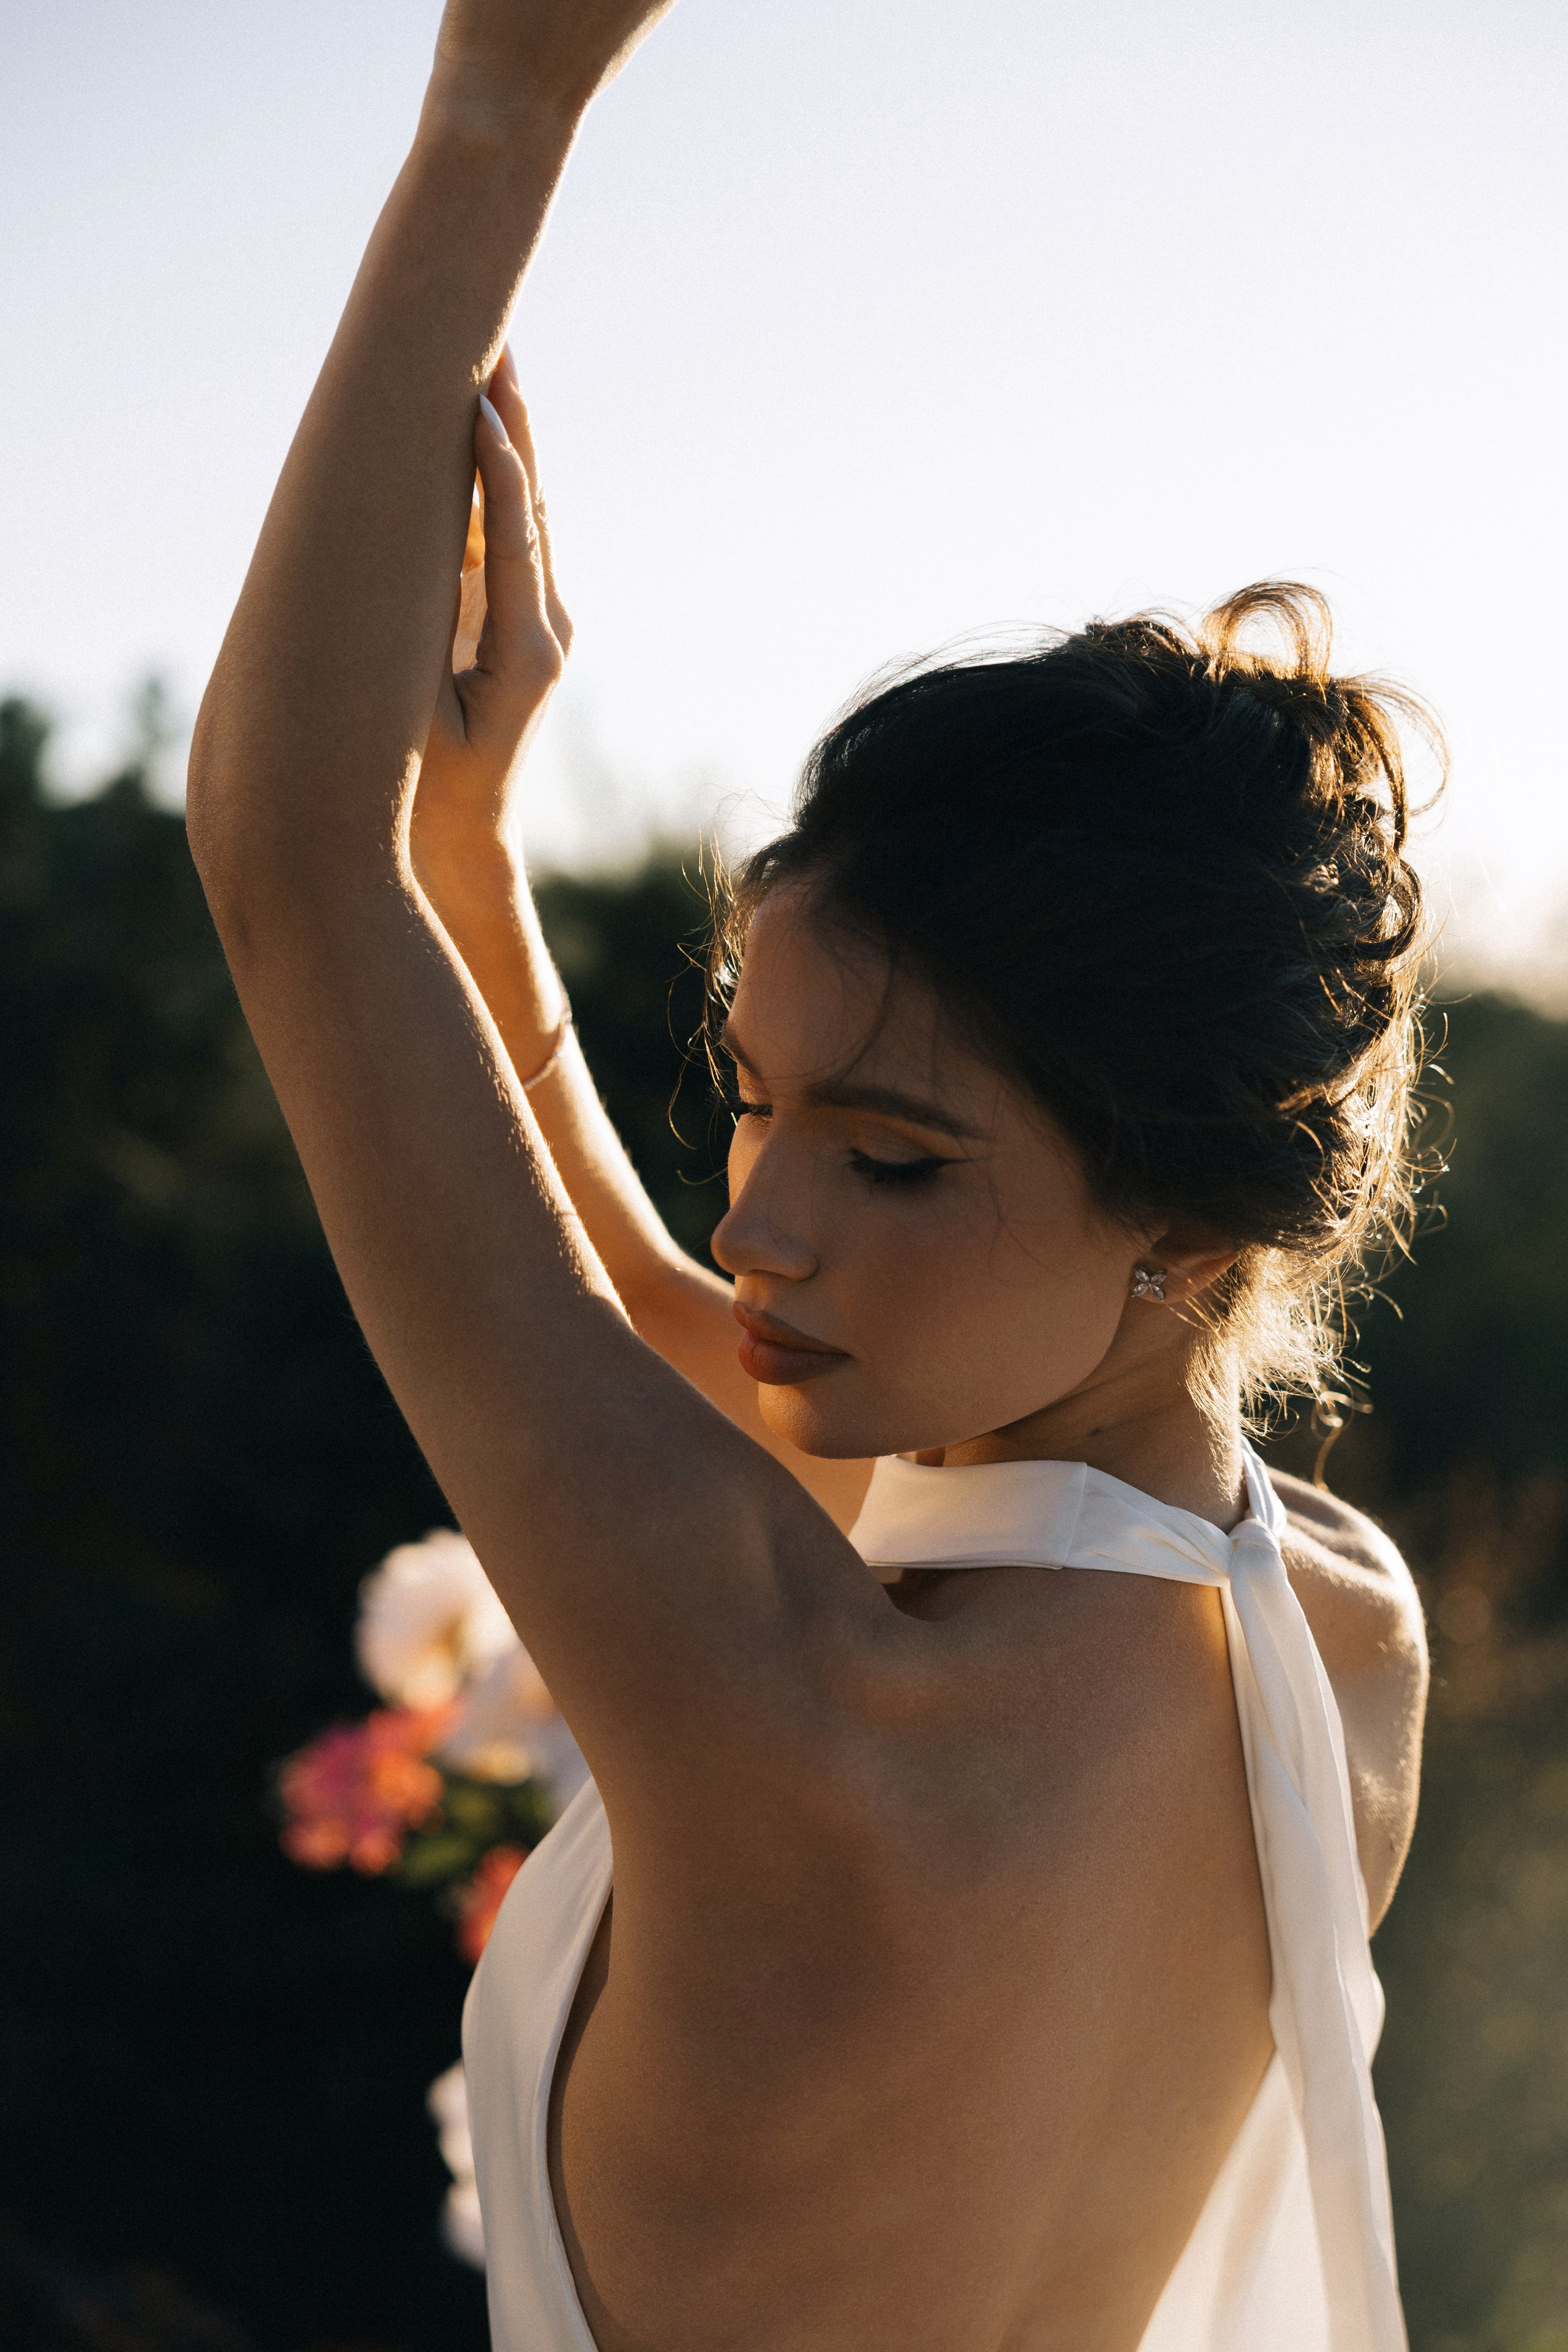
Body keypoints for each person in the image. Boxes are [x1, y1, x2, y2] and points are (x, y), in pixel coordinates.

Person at [188, 3, 1432, 2345]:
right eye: (757, 1099)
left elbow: (277, 848)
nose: (760, 1222)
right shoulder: (1342, 1638)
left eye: (896, 1160)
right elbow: (693, 1333)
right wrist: (473, 847)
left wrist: (501, 107)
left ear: (1186, 1229)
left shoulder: (806, 1708)